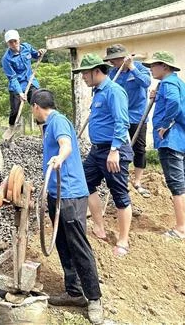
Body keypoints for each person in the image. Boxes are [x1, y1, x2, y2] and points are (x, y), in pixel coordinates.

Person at [31, 89, 103, 324]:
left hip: (70, 194)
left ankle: (94, 298)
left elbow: (66, 144)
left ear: (36, 107)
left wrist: (60, 158)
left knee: (78, 245)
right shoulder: (49, 125)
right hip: (56, 194)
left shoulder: (58, 121)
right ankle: (74, 292)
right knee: (62, 243)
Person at [72, 54, 134, 257]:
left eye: (84, 73)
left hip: (113, 150)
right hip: (97, 150)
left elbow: (121, 122)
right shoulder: (98, 92)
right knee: (85, 183)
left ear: (96, 71)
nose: (82, 77)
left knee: (119, 195)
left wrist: (115, 151)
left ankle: (123, 241)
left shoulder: (114, 91)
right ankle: (99, 227)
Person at [142, 51, 185, 239]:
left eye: (153, 66)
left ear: (164, 67)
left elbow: (173, 102)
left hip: (171, 141)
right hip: (183, 139)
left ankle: (181, 229)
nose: (150, 69)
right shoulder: (181, 85)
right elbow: (177, 102)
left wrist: (165, 124)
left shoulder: (168, 83)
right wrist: (157, 96)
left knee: (177, 185)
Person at [103, 44, 152, 197]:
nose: (113, 64)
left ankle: (137, 181)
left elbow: (146, 82)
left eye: (115, 60)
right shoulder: (112, 74)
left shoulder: (139, 68)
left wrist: (132, 68)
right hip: (119, 117)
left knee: (139, 149)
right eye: (111, 61)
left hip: (138, 116)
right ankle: (121, 178)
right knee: (119, 148)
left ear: (123, 58)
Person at [1, 29, 46, 131]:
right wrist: (20, 93)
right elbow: (12, 78)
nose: (13, 44)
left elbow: (35, 54)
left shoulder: (27, 47)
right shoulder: (6, 59)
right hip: (17, 86)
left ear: (19, 40)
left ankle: (44, 131)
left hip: (31, 82)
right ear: (7, 43)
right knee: (15, 111)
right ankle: (11, 129)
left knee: (38, 105)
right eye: (10, 42)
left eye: (15, 41)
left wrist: (39, 52)